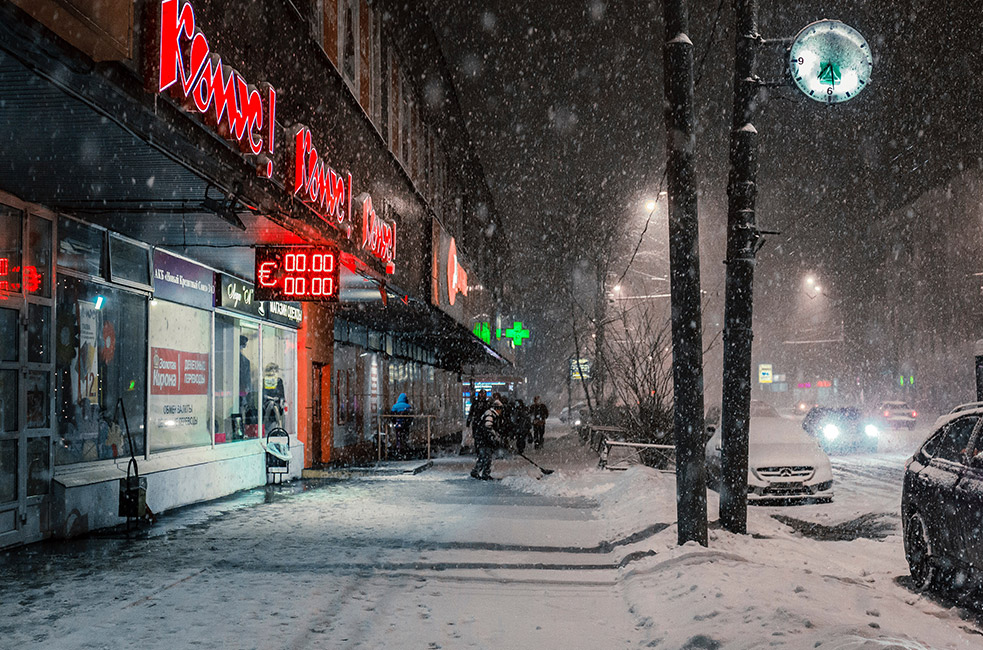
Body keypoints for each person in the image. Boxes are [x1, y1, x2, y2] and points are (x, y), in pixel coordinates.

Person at [471, 399, 503, 480]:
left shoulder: (491, 414)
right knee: (486, 457)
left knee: (483, 456)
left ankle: (476, 471)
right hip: (483, 440)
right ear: (497, 408)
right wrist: (493, 437)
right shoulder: (490, 414)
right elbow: (488, 427)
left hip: (482, 439)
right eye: (500, 409)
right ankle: (484, 474)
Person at [263, 362, 286, 434]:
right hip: (267, 402)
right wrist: (270, 398)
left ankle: (264, 423)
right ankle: (280, 425)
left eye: (275, 370)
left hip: (277, 402)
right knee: (271, 404)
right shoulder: (264, 381)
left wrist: (281, 402)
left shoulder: (279, 381)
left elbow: (281, 394)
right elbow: (264, 394)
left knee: (274, 405)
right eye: (272, 370)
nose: (273, 372)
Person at [390, 393, 414, 459]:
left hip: (398, 426)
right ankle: (405, 452)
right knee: (405, 438)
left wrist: (395, 423)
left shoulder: (395, 406)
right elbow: (411, 417)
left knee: (398, 438)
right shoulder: (408, 406)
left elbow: (392, 416)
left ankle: (399, 452)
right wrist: (407, 423)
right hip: (405, 426)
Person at [464, 389, 489, 454]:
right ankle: (479, 450)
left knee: (481, 437)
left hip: (481, 422)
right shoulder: (478, 403)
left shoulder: (485, 404)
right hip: (479, 422)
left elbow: (471, 413)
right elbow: (471, 413)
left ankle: (480, 450)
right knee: (478, 437)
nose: (482, 395)